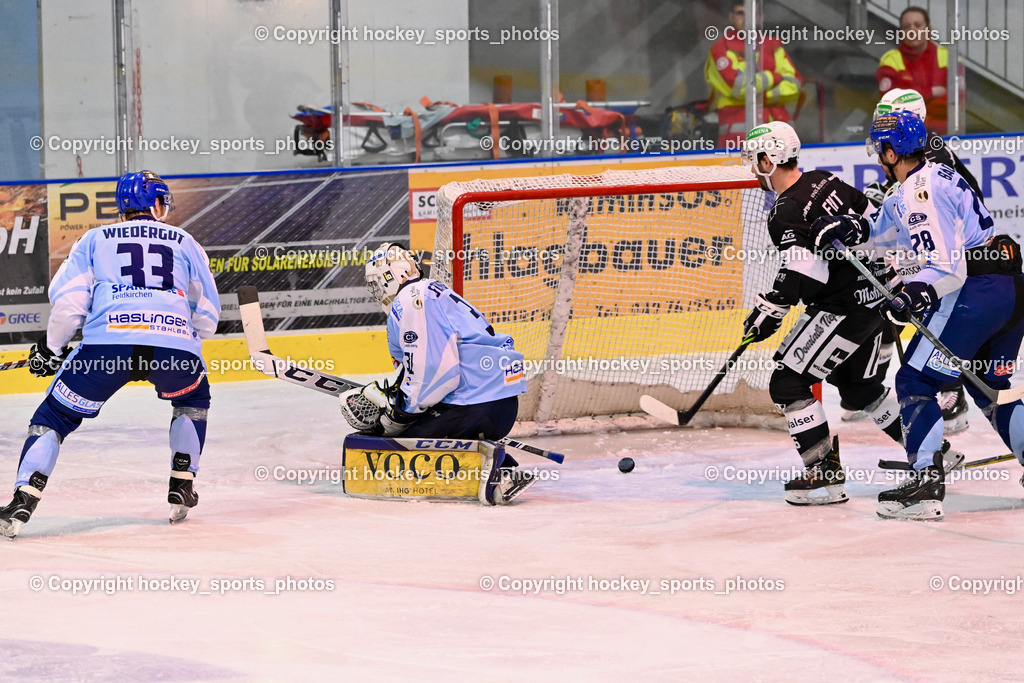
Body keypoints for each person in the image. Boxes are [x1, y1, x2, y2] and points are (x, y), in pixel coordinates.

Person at [811, 110, 1024, 520]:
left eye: (881, 150)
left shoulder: (917, 192)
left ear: (892, 152)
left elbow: (947, 267)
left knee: (915, 379)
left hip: (976, 295)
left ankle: (925, 481)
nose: (878, 157)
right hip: (1008, 292)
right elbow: (884, 225)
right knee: (987, 385)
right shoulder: (929, 177)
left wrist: (915, 293)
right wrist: (849, 228)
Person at [0, 171, 220, 539]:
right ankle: (182, 482)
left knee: (53, 417)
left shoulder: (94, 239)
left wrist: (51, 349)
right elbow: (208, 316)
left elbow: (69, 306)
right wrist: (181, 338)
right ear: (156, 202)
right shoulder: (186, 241)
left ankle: (23, 501)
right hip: (174, 351)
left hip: (107, 350)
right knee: (193, 399)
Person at [740, 121, 905, 506]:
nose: (752, 170)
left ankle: (823, 477)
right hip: (873, 301)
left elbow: (803, 270)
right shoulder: (822, 179)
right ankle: (932, 450)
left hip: (842, 308)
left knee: (788, 382)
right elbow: (876, 218)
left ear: (769, 160)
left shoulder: (785, 209)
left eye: (755, 161)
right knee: (858, 387)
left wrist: (772, 308)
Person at [339, 242, 532, 503]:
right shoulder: (433, 292)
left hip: (471, 405)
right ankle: (503, 467)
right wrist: (398, 396)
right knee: (424, 425)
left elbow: (437, 373)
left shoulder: (411, 299)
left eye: (377, 282)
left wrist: (399, 414)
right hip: (503, 407)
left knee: (395, 445)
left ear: (395, 274)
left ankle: (493, 476)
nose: (377, 291)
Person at [851, 87, 978, 433]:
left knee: (921, 299)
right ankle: (878, 377)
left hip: (952, 245)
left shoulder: (929, 150)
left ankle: (951, 390)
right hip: (940, 238)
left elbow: (926, 197)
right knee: (892, 288)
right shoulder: (914, 145)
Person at [705, 2, 802, 149]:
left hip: (780, 140)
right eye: (740, 13)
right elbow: (738, 88)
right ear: (731, 17)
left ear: (761, 18)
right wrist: (773, 77)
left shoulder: (773, 46)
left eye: (752, 13)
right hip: (737, 143)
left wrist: (760, 95)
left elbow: (794, 85)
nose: (747, 18)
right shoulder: (720, 50)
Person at [876, 6, 953, 135]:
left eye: (917, 25)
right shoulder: (890, 60)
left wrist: (910, 96)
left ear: (928, 29)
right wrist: (932, 92)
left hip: (946, 136)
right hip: (904, 137)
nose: (912, 30)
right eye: (906, 27)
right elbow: (892, 104)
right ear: (901, 32)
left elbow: (955, 103)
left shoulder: (949, 57)